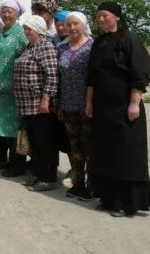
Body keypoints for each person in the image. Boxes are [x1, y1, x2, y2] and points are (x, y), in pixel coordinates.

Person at [87, 2, 150, 217]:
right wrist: (89, 102)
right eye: (98, 15)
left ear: (116, 16)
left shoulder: (130, 39)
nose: (100, 19)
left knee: (125, 154)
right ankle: (107, 198)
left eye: (104, 15)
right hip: (102, 107)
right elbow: (92, 76)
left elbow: (140, 73)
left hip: (125, 107)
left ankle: (126, 202)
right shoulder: (98, 42)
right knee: (105, 152)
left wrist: (134, 102)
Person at [13, 15, 60, 192]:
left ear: (38, 29)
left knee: (44, 141)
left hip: (40, 105)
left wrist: (46, 98)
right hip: (27, 104)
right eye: (25, 29)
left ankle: (48, 179)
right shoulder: (30, 46)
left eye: (29, 29)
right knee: (35, 141)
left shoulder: (46, 46)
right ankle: (38, 175)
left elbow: (52, 75)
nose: (26, 32)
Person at [0, 0, 28, 175]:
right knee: (4, 126)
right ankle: (11, 160)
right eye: (3, 12)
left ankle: (17, 164)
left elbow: (26, 58)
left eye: (9, 12)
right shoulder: (0, 33)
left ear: (16, 14)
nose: (6, 15)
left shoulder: (20, 33)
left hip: (13, 89)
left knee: (15, 127)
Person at [57, 11, 94, 200]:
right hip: (67, 105)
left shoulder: (92, 47)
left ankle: (92, 184)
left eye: (75, 24)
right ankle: (79, 183)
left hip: (87, 106)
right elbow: (59, 78)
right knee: (75, 147)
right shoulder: (61, 48)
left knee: (89, 146)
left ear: (83, 25)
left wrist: (91, 102)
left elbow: (95, 78)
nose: (71, 28)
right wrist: (59, 104)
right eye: (68, 24)